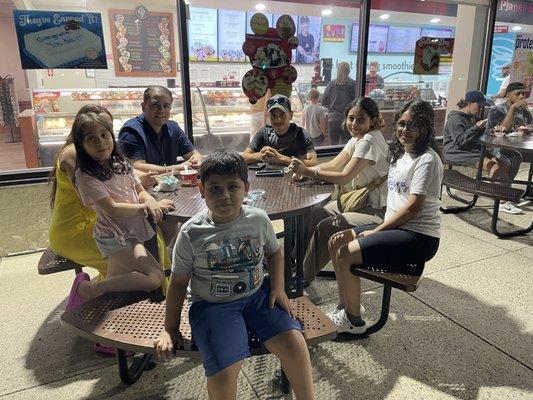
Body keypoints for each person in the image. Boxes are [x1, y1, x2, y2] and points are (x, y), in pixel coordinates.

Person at [154, 151, 315, 400]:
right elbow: (177, 283)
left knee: (295, 344)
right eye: (215, 188)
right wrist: (170, 328)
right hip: (212, 306)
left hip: (258, 296)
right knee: (225, 367)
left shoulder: (258, 220)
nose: (225, 195)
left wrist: (278, 288)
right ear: (201, 189)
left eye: (233, 187)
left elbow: (274, 253)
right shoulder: (191, 233)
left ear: (246, 188)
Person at [327, 100, 443, 334]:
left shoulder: (427, 160)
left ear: (425, 128)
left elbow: (413, 209)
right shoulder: (400, 153)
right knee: (336, 241)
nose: (405, 130)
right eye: (401, 124)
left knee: (346, 253)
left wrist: (376, 231)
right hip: (396, 229)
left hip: (418, 236)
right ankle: (346, 306)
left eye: (413, 125)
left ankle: (354, 322)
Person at [65, 109, 175, 309]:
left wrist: (149, 199)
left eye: (104, 135)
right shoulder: (85, 176)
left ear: (112, 136)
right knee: (155, 276)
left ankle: (101, 318)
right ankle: (89, 289)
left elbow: (139, 189)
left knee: (115, 284)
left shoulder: (120, 163)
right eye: (91, 138)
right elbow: (112, 208)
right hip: (115, 237)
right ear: (80, 145)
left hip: (132, 230)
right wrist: (147, 208)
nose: (100, 142)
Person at [290, 97, 389, 283]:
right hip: (358, 201)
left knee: (327, 226)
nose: (354, 124)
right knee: (316, 213)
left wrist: (307, 171)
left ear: (373, 120)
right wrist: (309, 173)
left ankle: (303, 276)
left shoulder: (369, 140)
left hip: (375, 209)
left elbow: (344, 176)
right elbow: (335, 165)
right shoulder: (357, 139)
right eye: (351, 118)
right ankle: (294, 262)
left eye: (361, 119)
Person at [118, 85, 203, 175]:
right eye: (155, 105)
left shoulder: (173, 127)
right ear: (143, 107)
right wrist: (179, 167)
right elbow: (136, 166)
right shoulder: (131, 131)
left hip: (170, 185)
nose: (161, 110)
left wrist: (196, 160)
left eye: (166, 106)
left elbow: (195, 154)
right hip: (145, 187)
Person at [485, 82, 531, 213]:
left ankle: (507, 192)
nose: (522, 96)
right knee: (512, 158)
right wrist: (512, 109)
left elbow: (528, 127)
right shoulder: (497, 110)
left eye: (524, 94)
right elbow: (501, 131)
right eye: (518, 94)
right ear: (509, 95)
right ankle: (502, 199)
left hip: (516, 145)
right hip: (494, 145)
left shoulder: (525, 111)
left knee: (518, 155)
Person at [243, 94, 317, 167]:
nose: (278, 120)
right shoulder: (264, 133)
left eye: (282, 115)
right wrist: (260, 156)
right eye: (273, 116)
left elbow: (313, 163)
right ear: (269, 117)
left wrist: (280, 158)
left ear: (291, 115)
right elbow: (244, 158)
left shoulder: (301, 134)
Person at [321, 62, 357, 145]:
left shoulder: (331, 84)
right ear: (348, 71)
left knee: (333, 145)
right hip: (348, 119)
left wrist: (330, 109)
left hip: (333, 119)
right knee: (347, 145)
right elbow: (357, 102)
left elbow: (323, 101)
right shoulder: (353, 84)